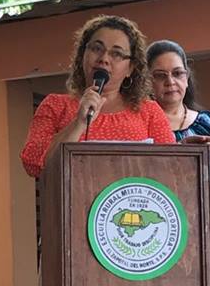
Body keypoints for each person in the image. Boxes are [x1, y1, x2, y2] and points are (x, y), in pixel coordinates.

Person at [21, 14, 175, 178]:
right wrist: (79, 123)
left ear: (130, 68)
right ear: (82, 55)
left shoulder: (149, 111)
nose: (104, 59)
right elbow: (33, 164)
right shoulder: (55, 105)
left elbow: (173, 167)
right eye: (96, 49)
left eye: (116, 54)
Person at [147, 39, 210, 146]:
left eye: (177, 73)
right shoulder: (139, 126)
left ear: (187, 78)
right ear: (147, 81)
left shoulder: (208, 123)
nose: (170, 82)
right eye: (160, 75)